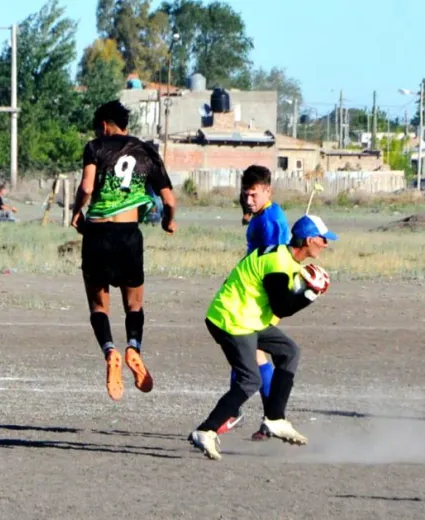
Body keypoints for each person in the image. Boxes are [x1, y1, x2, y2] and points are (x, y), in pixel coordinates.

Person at [188, 214, 336, 461]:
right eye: (323, 239)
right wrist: (311, 294)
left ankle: (275, 419)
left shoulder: (284, 258)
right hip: (232, 321)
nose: (326, 244)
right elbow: (282, 308)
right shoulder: (278, 263)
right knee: (250, 380)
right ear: (309, 240)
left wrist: (304, 287)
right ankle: (206, 430)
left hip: (249, 319)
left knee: (288, 351)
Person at [71, 99, 178, 402]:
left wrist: (77, 212)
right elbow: (169, 200)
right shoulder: (146, 151)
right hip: (129, 236)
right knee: (134, 305)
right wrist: (169, 223)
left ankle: (110, 351)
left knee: (98, 307)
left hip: (97, 233)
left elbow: (88, 188)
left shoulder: (95, 146)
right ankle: (133, 346)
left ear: (103, 125)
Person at [217, 165, 292, 440]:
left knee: (246, 352)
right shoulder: (260, 213)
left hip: (262, 298)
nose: (248, 200)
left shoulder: (272, 221)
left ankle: (235, 410)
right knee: (256, 355)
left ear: (267, 191)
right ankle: (272, 419)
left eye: (254, 195)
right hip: (251, 294)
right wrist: (248, 212)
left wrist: (272, 303)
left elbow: (275, 263)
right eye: (245, 195)